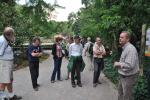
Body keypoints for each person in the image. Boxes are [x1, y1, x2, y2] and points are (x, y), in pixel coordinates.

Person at [114, 31, 139, 100]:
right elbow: (126, 62)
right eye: (119, 37)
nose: (120, 39)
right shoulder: (125, 48)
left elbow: (130, 65)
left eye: (122, 37)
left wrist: (118, 64)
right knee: (120, 94)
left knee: (127, 96)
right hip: (123, 76)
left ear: (127, 39)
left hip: (128, 77)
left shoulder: (130, 49)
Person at [0, 27, 22, 100]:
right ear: (8, 34)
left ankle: (11, 96)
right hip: (4, 63)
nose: (13, 36)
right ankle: (2, 97)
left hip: (8, 62)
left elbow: (12, 42)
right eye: (13, 34)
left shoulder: (6, 39)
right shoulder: (3, 41)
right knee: (4, 82)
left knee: (9, 80)